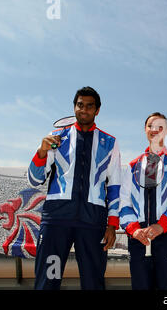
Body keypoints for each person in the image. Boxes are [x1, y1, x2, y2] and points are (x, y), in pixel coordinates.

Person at [27, 86, 121, 290]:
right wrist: (41, 151)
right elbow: (35, 180)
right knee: (48, 280)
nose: (84, 110)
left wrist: (112, 224)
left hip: (93, 222)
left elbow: (114, 186)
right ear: (74, 107)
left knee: (93, 282)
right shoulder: (56, 138)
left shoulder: (110, 143)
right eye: (80, 105)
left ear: (97, 110)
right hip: (56, 221)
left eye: (89, 106)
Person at [119, 112, 167, 290]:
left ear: (166, 131)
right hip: (138, 238)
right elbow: (124, 203)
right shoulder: (132, 165)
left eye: (160, 126)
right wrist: (134, 230)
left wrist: (161, 226)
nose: (154, 130)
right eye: (151, 125)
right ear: (145, 130)